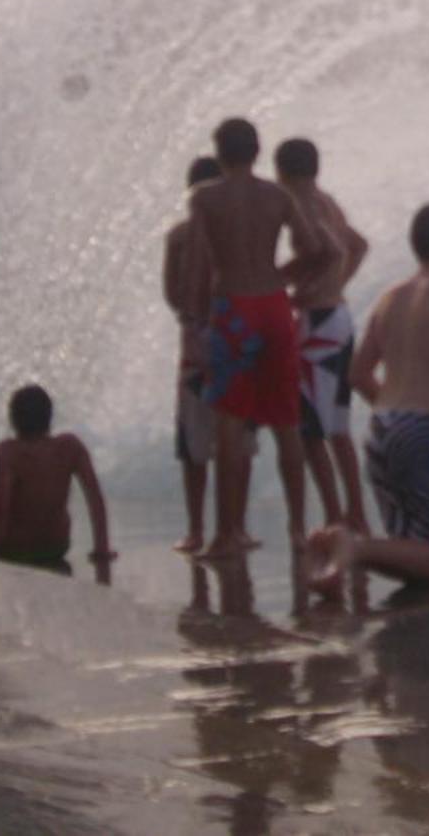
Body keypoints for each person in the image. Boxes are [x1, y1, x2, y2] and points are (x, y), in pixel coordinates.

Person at [305, 204, 429, 594]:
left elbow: (356, 374)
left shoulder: (390, 298)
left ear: (414, 246)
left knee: (415, 550)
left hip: (382, 428)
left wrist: (396, 416)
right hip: (424, 430)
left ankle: (335, 545)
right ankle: (354, 547)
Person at [180, 118, 331, 558]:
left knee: (230, 419)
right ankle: (300, 529)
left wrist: (194, 321)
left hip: (233, 311)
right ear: (256, 151)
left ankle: (226, 534)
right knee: (287, 421)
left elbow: (195, 268)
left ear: (221, 153)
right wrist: (284, 280)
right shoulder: (278, 196)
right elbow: (317, 248)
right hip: (274, 308)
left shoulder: (205, 198)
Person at [275, 137, 372, 534]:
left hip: (319, 325)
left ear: (283, 173)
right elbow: (358, 246)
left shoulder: (302, 204)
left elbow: (330, 250)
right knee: (333, 427)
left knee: (313, 428)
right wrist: (334, 285)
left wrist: (289, 283)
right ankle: (352, 514)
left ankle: (338, 515)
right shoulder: (326, 200)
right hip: (336, 316)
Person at [0, 385, 113, 569]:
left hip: (16, 550)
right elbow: (95, 499)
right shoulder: (70, 446)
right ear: (49, 416)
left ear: (14, 419)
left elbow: (0, 512)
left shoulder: (7, 452)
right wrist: (102, 549)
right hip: (56, 546)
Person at [164, 155, 224, 553]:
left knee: (224, 436)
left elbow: (171, 291)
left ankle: (208, 528)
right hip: (216, 332)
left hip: (209, 332)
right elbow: (170, 289)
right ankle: (204, 527)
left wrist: (191, 317)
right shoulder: (182, 236)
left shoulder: (188, 234)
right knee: (204, 439)